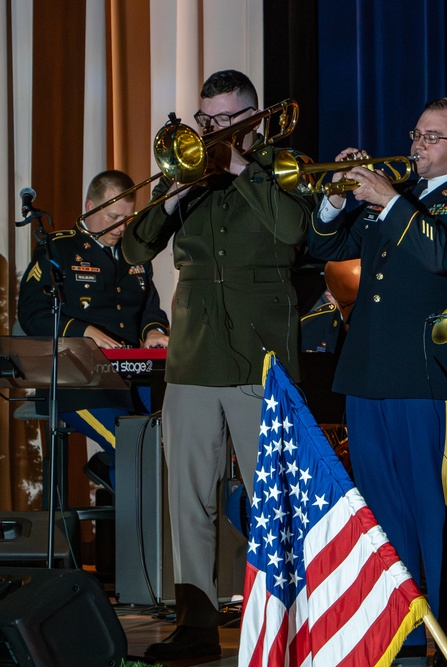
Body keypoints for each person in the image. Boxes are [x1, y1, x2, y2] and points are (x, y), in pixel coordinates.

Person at [121, 70, 311, 661]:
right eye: (207, 122)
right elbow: (132, 248)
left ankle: (284, 623)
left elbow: (292, 234)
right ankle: (198, 625)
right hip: (195, 356)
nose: (213, 132)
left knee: (272, 497)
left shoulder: (282, 165)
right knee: (190, 498)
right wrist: (173, 192)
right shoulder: (189, 174)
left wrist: (241, 170)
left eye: (226, 121)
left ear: (252, 118)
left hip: (261, 357)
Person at [308, 97, 447, 665]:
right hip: (368, 372)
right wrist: (336, 199)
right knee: (380, 509)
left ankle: (445, 633)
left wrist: (389, 201)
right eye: (416, 133)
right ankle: (401, 630)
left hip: (425, 375)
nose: (417, 145)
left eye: (432, 136)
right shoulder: (400, 202)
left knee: (429, 507)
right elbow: (324, 246)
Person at [17, 169, 169, 493]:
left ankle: (108, 468)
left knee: (177, 434)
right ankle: (135, 530)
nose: (123, 227)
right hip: (80, 378)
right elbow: (32, 313)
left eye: (129, 218)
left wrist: (154, 330)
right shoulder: (58, 249)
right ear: (90, 207)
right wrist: (81, 330)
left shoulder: (134, 254)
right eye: (115, 217)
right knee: (136, 445)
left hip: (133, 373)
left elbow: (149, 308)